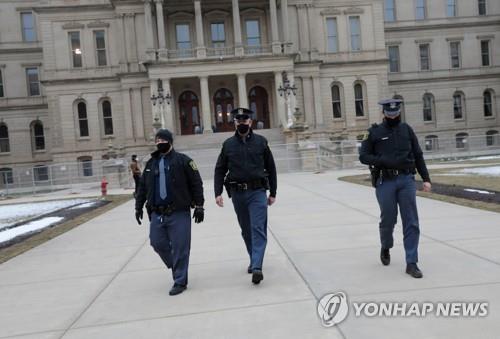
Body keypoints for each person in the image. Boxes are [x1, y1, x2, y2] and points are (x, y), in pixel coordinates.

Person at [359, 98, 432, 279]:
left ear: (399, 112)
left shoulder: (406, 130)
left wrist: (426, 178)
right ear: (384, 113)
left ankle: (412, 262)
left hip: (406, 180)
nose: (393, 116)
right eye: (390, 113)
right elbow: (363, 156)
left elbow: (418, 155)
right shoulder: (374, 132)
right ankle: (386, 245)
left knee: (411, 221)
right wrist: (383, 160)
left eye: (396, 113)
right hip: (386, 182)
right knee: (388, 219)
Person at [135, 129, 205, 295]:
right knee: (156, 242)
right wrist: (138, 206)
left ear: (170, 141)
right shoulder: (150, 164)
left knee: (181, 247)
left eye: (163, 140)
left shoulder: (184, 161)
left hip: (179, 212)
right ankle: (177, 265)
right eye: (157, 141)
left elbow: (196, 183)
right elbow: (143, 188)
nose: (160, 143)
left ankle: (180, 281)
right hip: (157, 213)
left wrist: (200, 205)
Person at [214, 108, 277, 285]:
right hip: (237, 193)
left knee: (258, 227)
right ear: (235, 123)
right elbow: (220, 169)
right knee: (246, 229)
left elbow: (271, 168)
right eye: (238, 121)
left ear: (250, 122)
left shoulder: (261, 142)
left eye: (245, 120)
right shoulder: (228, 145)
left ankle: (257, 266)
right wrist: (217, 192)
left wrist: (273, 192)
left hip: (257, 192)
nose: (242, 123)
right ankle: (253, 258)